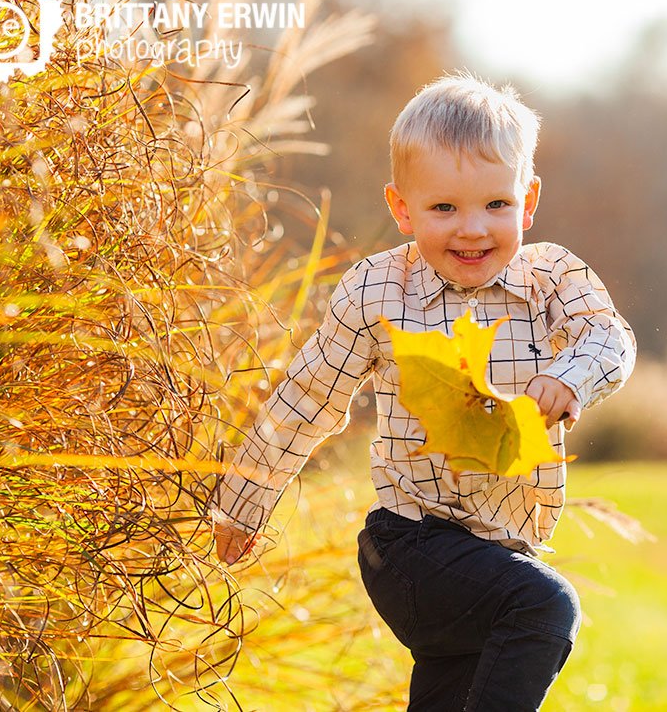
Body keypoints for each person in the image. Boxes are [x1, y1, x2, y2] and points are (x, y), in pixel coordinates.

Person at [211, 72, 636, 711]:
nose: (472, 229)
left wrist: (567, 377)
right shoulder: (378, 292)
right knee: (544, 607)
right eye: (444, 208)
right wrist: (243, 503)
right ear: (402, 208)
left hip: (496, 548)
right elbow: (306, 399)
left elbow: (610, 339)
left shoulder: (553, 276)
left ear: (528, 201)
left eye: (496, 204)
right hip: (409, 545)